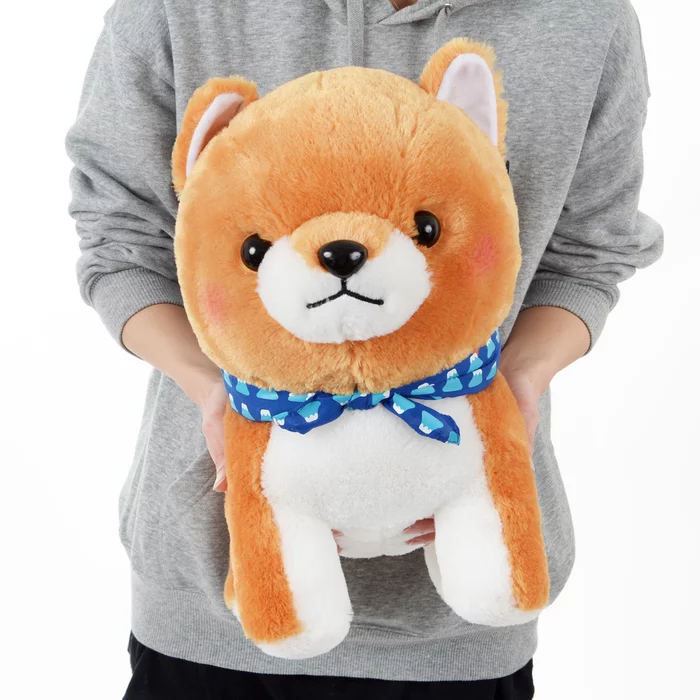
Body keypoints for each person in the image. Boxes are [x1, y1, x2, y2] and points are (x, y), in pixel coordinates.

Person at [66, 0, 662, 698]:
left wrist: (517, 385)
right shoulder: (179, 9)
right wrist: (217, 394)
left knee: (486, 583)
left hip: (459, 622)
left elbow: (588, 254)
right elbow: (120, 243)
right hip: (210, 596)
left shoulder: (584, 19)